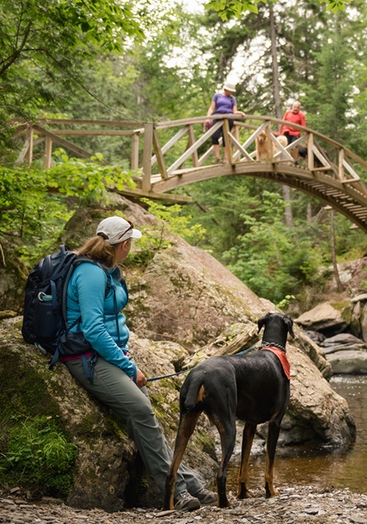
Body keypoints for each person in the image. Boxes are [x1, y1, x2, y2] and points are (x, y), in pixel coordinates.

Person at [61, 216, 216, 512]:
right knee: (142, 410)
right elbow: (93, 329)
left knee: (145, 419)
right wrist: (130, 368)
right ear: (123, 244)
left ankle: (186, 481)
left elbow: (111, 323)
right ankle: (176, 491)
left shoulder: (110, 270)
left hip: (109, 356)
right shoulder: (90, 275)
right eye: (130, 243)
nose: (131, 248)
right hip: (86, 358)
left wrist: (125, 357)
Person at [205, 82, 246, 163]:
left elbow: (234, 111)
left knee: (226, 137)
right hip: (217, 117)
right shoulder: (217, 96)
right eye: (230, 91)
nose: (231, 92)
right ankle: (217, 156)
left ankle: (226, 158)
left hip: (228, 118)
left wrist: (239, 113)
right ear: (225, 89)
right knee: (215, 136)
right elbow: (212, 108)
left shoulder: (232, 99)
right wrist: (208, 118)